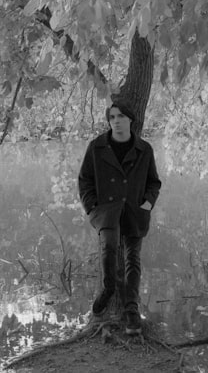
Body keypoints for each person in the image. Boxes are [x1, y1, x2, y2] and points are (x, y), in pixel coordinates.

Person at [78, 101, 161, 335]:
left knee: (132, 258)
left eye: (121, 116)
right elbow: (84, 180)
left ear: (131, 120)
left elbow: (154, 182)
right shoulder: (97, 147)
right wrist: (92, 206)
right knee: (109, 248)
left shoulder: (145, 149)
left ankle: (131, 308)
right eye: (112, 117)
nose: (115, 120)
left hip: (135, 209)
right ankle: (108, 288)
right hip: (106, 210)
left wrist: (146, 204)